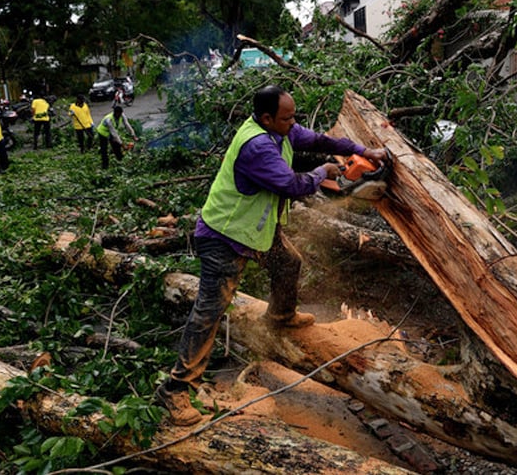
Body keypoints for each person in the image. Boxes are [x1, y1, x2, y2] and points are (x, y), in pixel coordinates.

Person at [155, 85, 389, 426]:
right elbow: (292, 185)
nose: (293, 122)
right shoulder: (258, 146)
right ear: (267, 118)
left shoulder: (279, 130)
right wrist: (323, 172)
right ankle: (174, 390)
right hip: (224, 236)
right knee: (209, 312)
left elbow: (319, 139)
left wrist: (361, 149)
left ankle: (280, 316)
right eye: (287, 117)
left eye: (293, 115)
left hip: (253, 231)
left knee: (287, 263)